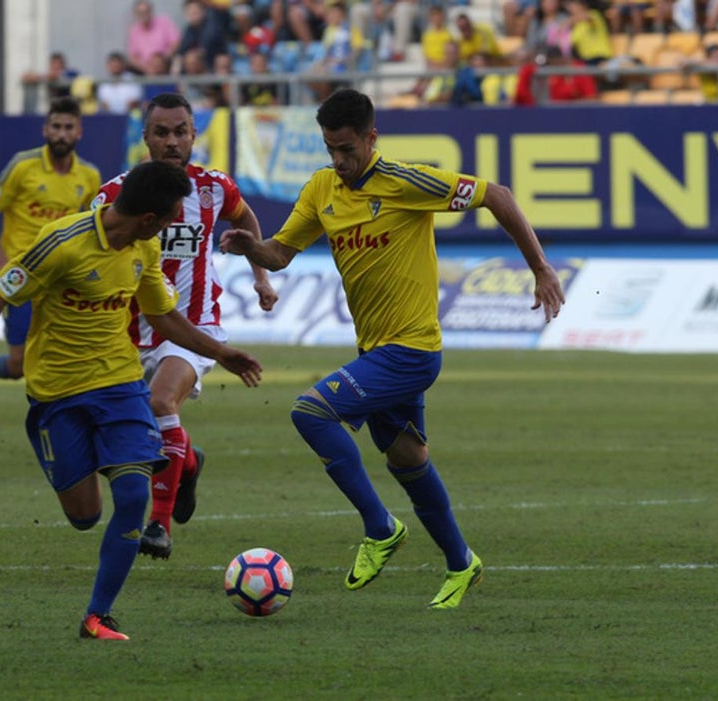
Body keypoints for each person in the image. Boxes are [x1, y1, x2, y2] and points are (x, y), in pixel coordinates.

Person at [219, 88, 565, 609]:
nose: (339, 160)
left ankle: (380, 528)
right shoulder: (321, 188)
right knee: (408, 459)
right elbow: (281, 253)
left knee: (310, 412)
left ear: (371, 138)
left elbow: (498, 195)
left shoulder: (406, 182)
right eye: (330, 149)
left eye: (347, 149)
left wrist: (540, 267)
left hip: (412, 350)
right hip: (375, 351)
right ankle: (461, 563)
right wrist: (253, 249)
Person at [0, 160, 263, 640]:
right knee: (85, 516)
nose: (171, 227)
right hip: (57, 395)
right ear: (149, 218)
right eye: (169, 218)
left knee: (132, 497)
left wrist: (221, 352)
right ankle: (113, 459)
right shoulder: (62, 242)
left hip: (120, 387)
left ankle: (98, 615)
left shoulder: (144, 248)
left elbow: (163, 316)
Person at [97, 92, 278, 560]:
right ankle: (189, 461)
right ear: (145, 138)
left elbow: (245, 216)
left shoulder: (214, 188)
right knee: (132, 432)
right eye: (162, 133)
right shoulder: (114, 195)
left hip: (196, 327)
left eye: (181, 132)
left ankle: (158, 526)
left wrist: (260, 275)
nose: (172, 142)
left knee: (161, 400)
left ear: (195, 135)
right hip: (131, 334)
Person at [0, 96, 101, 412]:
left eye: (68, 127)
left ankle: (65, 414)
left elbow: (91, 226)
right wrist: (2, 260)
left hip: (61, 280)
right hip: (22, 278)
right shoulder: (22, 166)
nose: (61, 134)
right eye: (56, 126)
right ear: (45, 130)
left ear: (79, 132)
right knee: (19, 365)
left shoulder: (89, 176)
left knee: (68, 355)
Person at [127, 0, 182, 74]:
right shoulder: (134, 31)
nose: (144, 15)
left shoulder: (164, 22)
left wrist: (162, 60)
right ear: (136, 14)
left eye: (146, 11)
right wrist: (146, 68)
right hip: (145, 69)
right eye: (141, 12)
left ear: (151, 11)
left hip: (166, 62)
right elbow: (133, 57)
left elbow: (176, 43)